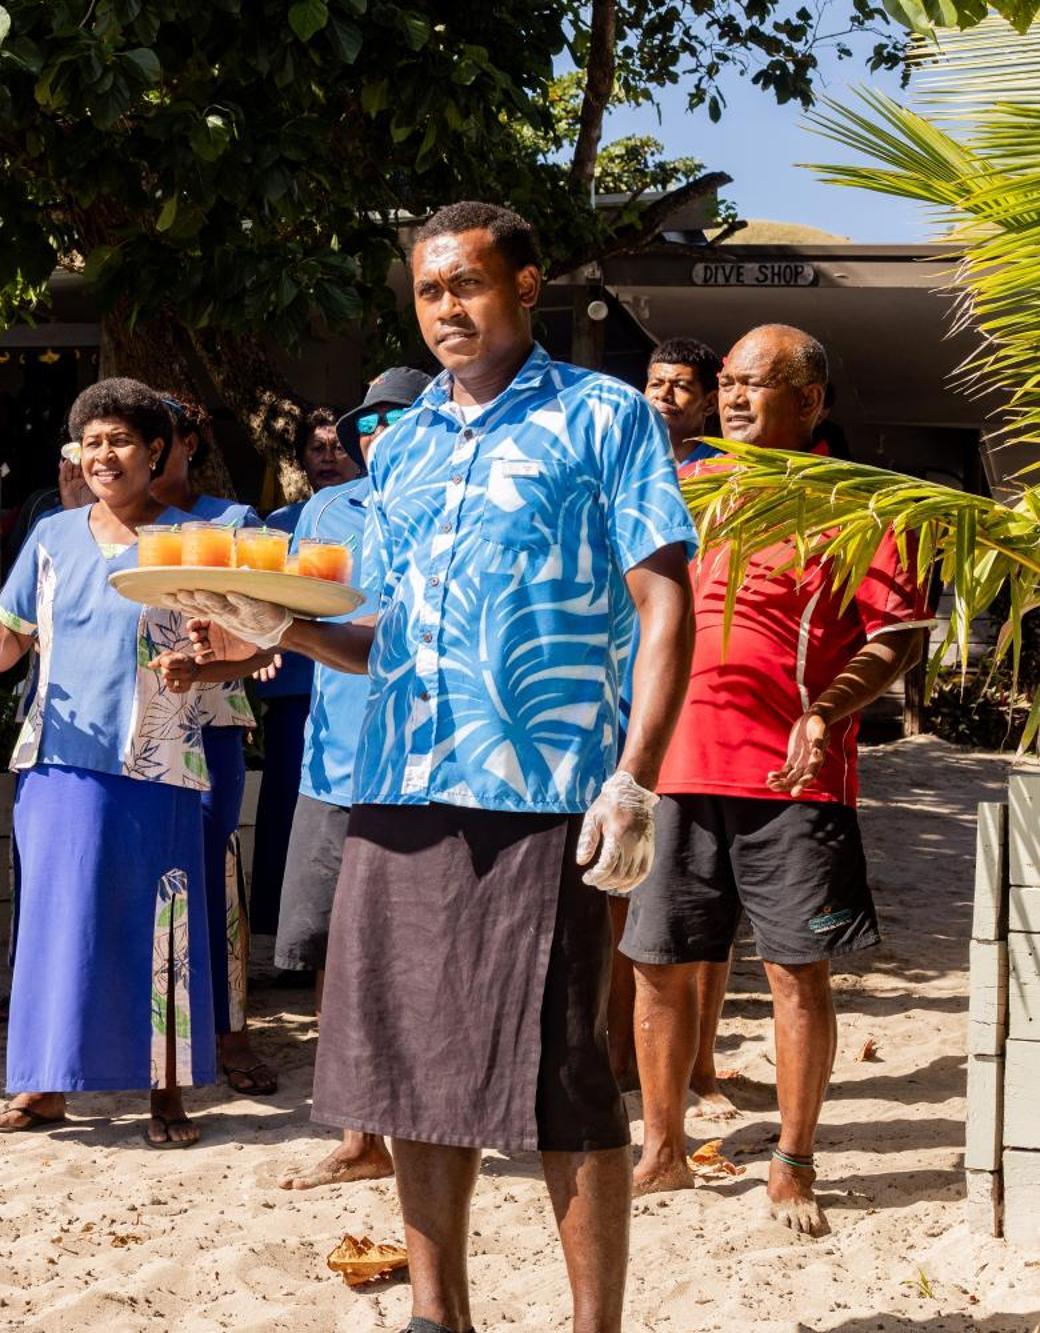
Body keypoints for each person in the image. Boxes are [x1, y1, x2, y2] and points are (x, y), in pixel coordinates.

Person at [183, 201, 696, 1333]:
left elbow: (664, 606)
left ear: (522, 284)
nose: (446, 310)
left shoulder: (602, 417)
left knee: (562, 1072)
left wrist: (635, 774)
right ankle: (436, 1313)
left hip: (543, 791)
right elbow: (387, 636)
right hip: (399, 786)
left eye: (465, 284)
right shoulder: (401, 442)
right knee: (403, 1063)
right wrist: (281, 629)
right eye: (427, 291)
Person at [623, 324, 930, 1237]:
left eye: (759, 382)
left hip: (797, 775)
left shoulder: (860, 505)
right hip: (676, 767)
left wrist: (827, 710)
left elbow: (897, 636)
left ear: (813, 400)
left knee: (798, 969)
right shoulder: (681, 489)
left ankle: (793, 1160)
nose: (735, 396)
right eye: (728, 381)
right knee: (656, 965)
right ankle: (663, 1148)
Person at [0, 377, 244, 1148]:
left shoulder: (194, 540)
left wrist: (201, 670)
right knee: (54, 927)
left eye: (121, 440)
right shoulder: (49, 536)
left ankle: (167, 1094)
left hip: (161, 763)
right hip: (56, 763)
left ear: (156, 452)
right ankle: (42, 1089)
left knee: (161, 928)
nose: (104, 454)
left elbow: (245, 651)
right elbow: (10, 639)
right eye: (93, 441)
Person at [271, 365, 429, 1191]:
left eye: (395, 418)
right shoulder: (326, 511)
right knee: (333, 950)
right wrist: (236, 641)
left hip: (433, 764)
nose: (376, 435)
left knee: (420, 953)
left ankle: (427, 1119)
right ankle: (359, 1133)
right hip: (335, 764)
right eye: (368, 423)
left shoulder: (457, 507)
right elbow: (289, 613)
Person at [603, 336, 732, 1106]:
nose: (663, 398)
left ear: (709, 398)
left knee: (694, 906)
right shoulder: (615, 469)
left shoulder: (723, 474)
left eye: (681, 386)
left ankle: (701, 1066)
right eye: (653, 383)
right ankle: (621, 1057)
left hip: (689, 699)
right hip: (610, 690)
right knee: (616, 888)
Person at [155, 389, 275, 1098]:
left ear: (188, 442)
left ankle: (232, 1035)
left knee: (213, 878)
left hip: (210, 723)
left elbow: (270, 628)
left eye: (158, 434)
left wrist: (228, 647)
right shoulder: (96, 522)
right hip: (121, 733)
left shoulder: (231, 522)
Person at [248, 408, 362, 947]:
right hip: (299, 693)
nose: (327, 457)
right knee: (289, 810)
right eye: (316, 449)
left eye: (335, 446)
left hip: (362, 690)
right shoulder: (281, 526)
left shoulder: (383, 513)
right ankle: (282, 931)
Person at [644, 336, 722, 465]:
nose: (663, 394)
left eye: (680, 386)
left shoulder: (725, 473)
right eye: (656, 384)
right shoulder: (623, 464)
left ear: (710, 403)